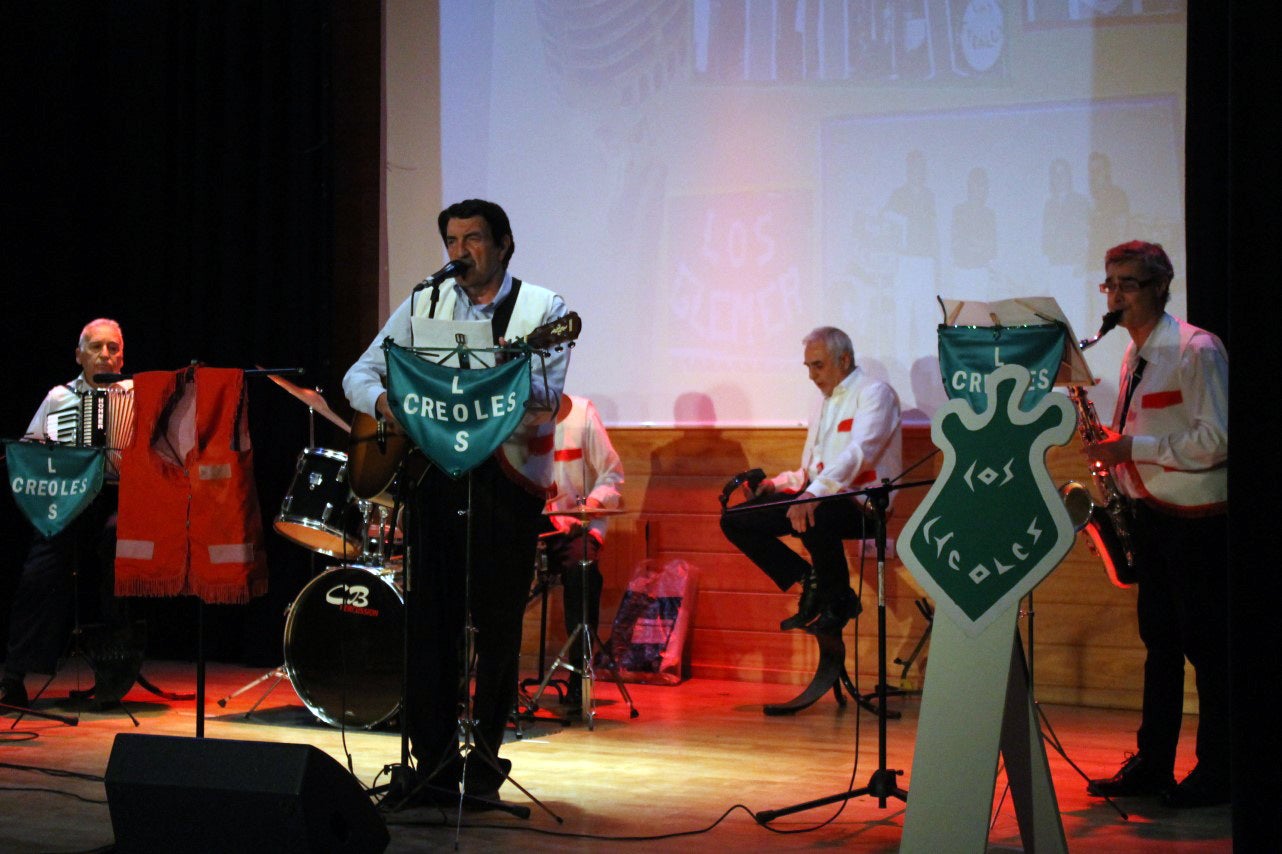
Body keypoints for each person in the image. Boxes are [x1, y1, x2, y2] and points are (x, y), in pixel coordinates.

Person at [343, 199, 569, 802]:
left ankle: (488, 766)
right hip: (436, 479)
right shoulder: (426, 302)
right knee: (431, 624)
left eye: (473, 239)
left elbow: (546, 392)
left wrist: (488, 378)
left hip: (508, 482)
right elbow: (358, 375)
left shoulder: (544, 308)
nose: (460, 252)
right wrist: (389, 405)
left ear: (503, 244)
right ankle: (433, 763)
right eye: (451, 241)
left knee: (496, 627)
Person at [1083, 241, 1229, 809]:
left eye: (1128, 284)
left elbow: (1218, 439)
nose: (1115, 295)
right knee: (1161, 646)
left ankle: (1219, 768)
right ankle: (1154, 762)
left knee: (1207, 649)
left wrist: (1130, 448)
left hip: (1195, 520)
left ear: (1161, 287)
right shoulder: (1132, 355)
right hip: (1152, 517)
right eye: (1109, 284)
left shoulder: (1197, 350)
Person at [720, 326, 902, 634]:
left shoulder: (874, 394)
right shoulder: (821, 402)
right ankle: (811, 580)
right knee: (736, 520)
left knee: (814, 510)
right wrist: (775, 485)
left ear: (844, 360)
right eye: (808, 367)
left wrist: (810, 495)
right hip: (823, 497)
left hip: (866, 505)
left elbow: (861, 454)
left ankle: (838, 600)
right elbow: (812, 471)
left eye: (818, 365)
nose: (811, 375)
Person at [2, 319, 131, 710]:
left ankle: (115, 671)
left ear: (122, 357)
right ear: (79, 355)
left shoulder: (136, 394)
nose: (105, 355)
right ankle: (14, 675)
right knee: (39, 571)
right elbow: (30, 449)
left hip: (118, 497)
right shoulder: (58, 398)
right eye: (96, 347)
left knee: (118, 548)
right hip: (70, 498)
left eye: (113, 348)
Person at [541, 393, 624, 707]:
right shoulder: (509, 412)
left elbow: (612, 474)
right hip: (531, 524)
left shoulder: (581, 413)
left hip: (575, 524)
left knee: (582, 569)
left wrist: (590, 506)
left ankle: (579, 673)